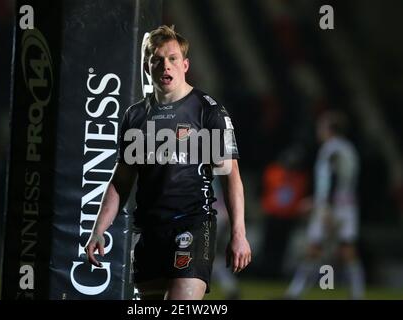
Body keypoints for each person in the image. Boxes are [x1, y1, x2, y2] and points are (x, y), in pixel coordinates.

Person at [84, 25, 251, 300]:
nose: (166, 65)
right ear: (148, 67)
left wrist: (239, 234)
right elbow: (120, 180)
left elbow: (231, 176)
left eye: (173, 58)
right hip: (148, 230)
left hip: (192, 224)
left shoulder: (208, 111)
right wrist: (98, 230)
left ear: (185, 65)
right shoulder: (135, 116)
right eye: (158, 59)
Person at [285, 110, 365, 300]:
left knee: (313, 248)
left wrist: (325, 206)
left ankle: (294, 294)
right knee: (348, 251)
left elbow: (333, 177)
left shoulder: (332, 149)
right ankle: (358, 295)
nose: (318, 130)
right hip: (348, 205)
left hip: (332, 207)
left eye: (321, 126)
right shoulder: (349, 148)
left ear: (329, 128)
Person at [258, 145, 309, 279]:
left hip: (288, 218)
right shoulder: (273, 172)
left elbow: (300, 195)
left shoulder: (299, 178)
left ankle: (276, 273)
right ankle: (264, 273)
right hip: (272, 215)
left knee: (282, 248)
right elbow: (264, 190)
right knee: (268, 245)